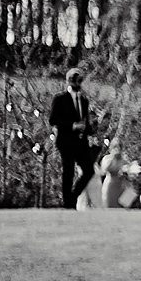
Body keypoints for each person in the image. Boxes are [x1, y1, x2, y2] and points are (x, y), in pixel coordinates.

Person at [48, 68, 97, 209]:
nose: (79, 83)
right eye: (76, 80)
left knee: (89, 170)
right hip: (66, 140)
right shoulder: (60, 98)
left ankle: (72, 197)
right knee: (68, 171)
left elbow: (85, 121)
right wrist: (72, 126)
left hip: (80, 141)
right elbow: (53, 119)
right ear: (69, 81)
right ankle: (68, 202)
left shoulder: (83, 100)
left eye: (80, 80)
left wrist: (90, 129)